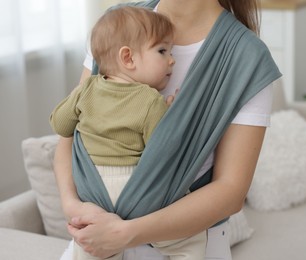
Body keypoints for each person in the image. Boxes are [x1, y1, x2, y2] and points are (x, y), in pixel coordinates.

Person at [54, 0, 281, 259]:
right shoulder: (118, 24)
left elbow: (231, 191)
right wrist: (73, 207)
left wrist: (126, 233)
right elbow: (70, 133)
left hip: (185, 244)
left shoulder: (246, 57)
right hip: (93, 238)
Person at [50, 6, 207, 260]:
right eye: (162, 51)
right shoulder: (149, 100)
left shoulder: (86, 89)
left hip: (93, 192)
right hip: (136, 187)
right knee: (190, 241)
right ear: (128, 58)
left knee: (91, 247)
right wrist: (171, 118)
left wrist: (76, 102)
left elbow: (60, 125)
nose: (172, 60)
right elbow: (162, 153)